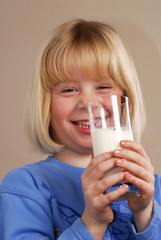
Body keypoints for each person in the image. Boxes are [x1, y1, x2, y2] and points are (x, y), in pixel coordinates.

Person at [0, 19, 161, 240]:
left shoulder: (153, 190)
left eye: (103, 86)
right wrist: (91, 223)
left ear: (127, 98)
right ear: (44, 105)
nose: (88, 102)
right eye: (68, 89)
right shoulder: (27, 186)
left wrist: (144, 213)